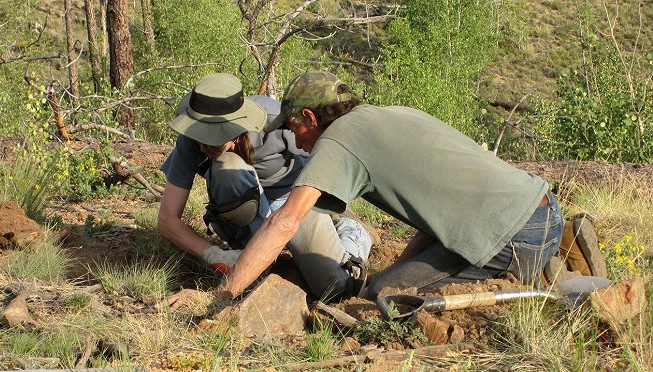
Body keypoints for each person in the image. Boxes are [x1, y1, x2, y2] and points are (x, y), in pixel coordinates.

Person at [214, 70, 565, 301]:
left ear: (309, 117)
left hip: (511, 239)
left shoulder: (337, 140)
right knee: (385, 285)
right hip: (543, 207)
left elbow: (286, 221)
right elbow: (435, 218)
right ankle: (562, 249)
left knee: (384, 299)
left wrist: (225, 296)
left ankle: (539, 277)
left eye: (293, 129)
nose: (294, 140)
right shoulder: (397, 113)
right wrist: (400, 270)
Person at [157, 73, 373, 303]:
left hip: (292, 202)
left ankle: (352, 234)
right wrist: (213, 253)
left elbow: (328, 163)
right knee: (227, 167)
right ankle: (257, 262)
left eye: (211, 137)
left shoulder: (278, 122)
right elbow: (167, 219)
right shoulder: (190, 139)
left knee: (335, 289)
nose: (202, 145)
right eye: (199, 134)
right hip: (244, 215)